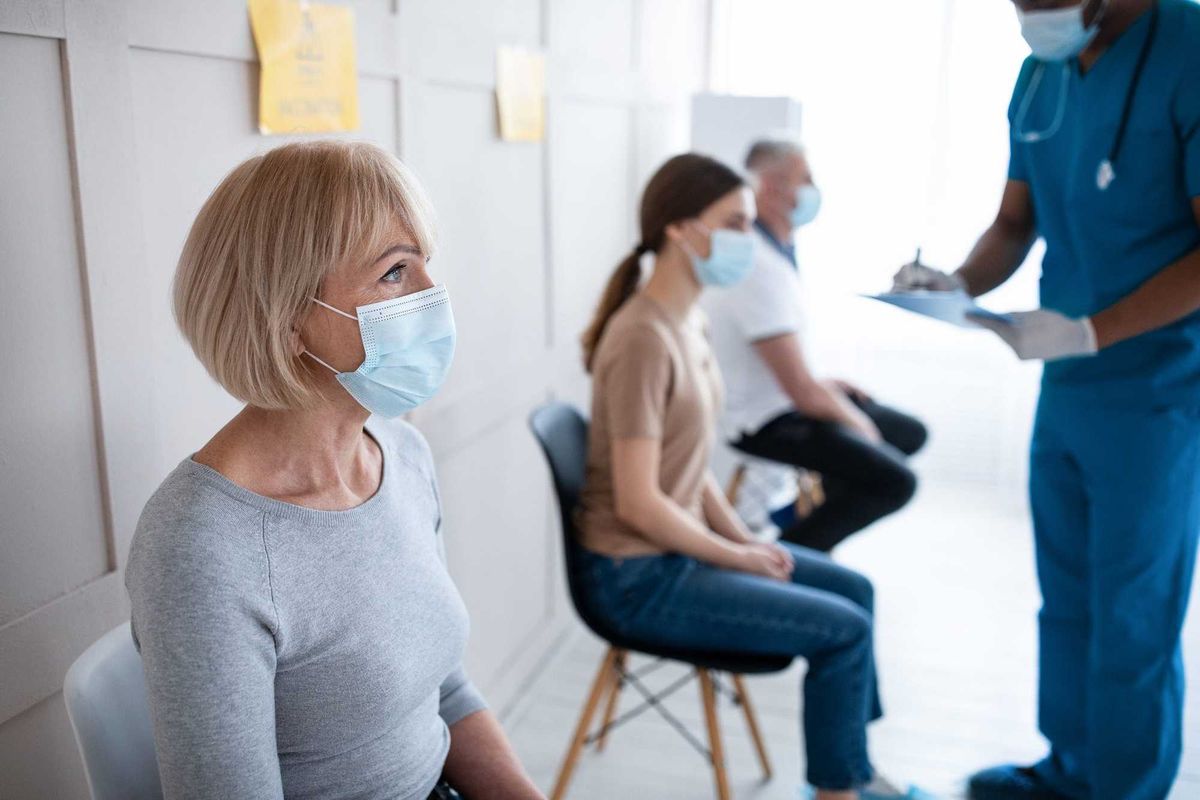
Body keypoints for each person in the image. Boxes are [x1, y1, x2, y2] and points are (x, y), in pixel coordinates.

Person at [125, 141, 543, 800]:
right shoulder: (199, 545)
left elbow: (445, 689)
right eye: (395, 273)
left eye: (425, 263)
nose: (435, 296)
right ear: (287, 318)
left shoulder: (401, 455)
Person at [892, 1, 1200, 797]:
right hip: (1066, 385)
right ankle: (1069, 773)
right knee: (1066, 598)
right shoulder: (1039, 76)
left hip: (1161, 390)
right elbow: (1012, 222)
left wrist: (1096, 331)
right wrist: (955, 285)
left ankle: (1124, 788)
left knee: (1133, 613)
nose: (1031, 14)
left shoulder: (1190, 50)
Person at [576, 152, 930, 800]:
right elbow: (637, 500)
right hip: (637, 577)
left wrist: (744, 539)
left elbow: (686, 468)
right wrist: (735, 554)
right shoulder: (643, 338)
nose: (749, 237)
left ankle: (852, 768)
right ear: (681, 229)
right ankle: (840, 790)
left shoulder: (688, 320)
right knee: (844, 631)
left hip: (673, 554)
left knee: (856, 592)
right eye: (734, 222)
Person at [700, 138, 927, 552]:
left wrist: (828, 388)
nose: (812, 188)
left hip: (784, 399)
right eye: (805, 178)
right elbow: (800, 389)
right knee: (896, 481)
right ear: (770, 187)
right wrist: (857, 425)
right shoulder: (756, 267)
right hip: (763, 421)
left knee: (909, 433)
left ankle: (815, 525)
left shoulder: (777, 252)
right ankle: (795, 556)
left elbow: (788, 369)